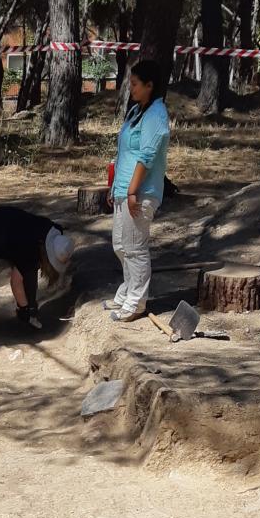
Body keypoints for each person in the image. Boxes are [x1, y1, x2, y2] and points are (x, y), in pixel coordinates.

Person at [105, 58, 170, 322]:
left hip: (141, 193)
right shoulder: (136, 111)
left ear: (149, 85)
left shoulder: (156, 115)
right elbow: (125, 152)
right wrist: (116, 187)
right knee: (120, 246)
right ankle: (126, 293)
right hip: (124, 189)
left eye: (134, 84)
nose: (130, 88)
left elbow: (147, 156)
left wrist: (132, 192)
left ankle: (136, 303)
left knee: (135, 247)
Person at [0, 206, 75, 331]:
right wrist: (24, 309)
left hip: (8, 229)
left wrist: (30, 308)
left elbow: (28, 269)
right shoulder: (28, 246)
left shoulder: (55, 234)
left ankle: (31, 311)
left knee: (30, 266)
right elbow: (16, 281)